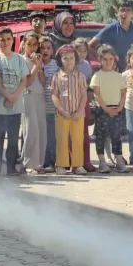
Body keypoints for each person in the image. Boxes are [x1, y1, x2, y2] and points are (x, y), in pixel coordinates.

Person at [0, 27, 29, 175]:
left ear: (13, 40)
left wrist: (14, 96)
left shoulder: (19, 59)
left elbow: (24, 80)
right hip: (0, 106)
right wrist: (7, 95)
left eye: (8, 39)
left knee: (14, 138)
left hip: (16, 105)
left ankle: (11, 167)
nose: (5, 42)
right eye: (2, 39)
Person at [50, 46, 87, 175]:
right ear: (60, 60)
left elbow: (84, 95)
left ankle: (77, 165)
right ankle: (61, 165)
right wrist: (61, 109)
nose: (69, 61)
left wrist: (80, 110)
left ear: (75, 59)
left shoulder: (80, 76)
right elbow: (54, 95)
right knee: (61, 139)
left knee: (77, 139)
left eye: (71, 58)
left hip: (78, 114)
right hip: (62, 114)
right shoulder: (57, 76)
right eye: (65, 58)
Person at [90, 45, 127, 174]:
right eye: (105, 59)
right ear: (99, 60)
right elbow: (97, 94)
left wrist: (120, 107)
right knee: (101, 136)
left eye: (110, 59)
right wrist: (106, 109)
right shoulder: (97, 76)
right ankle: (102, 161)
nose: (108, 62)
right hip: (102, 110)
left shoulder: (119, 76)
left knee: (116, 136)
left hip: (117, 110)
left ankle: (119, 160)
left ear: (114, 59)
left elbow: (123, 93)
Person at [89, 0, 133, 72]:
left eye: (128, 10)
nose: (124, 13)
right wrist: (103, 60)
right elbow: (90, 46)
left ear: (132, 14)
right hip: (115, 72)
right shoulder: (110, 29)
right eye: (122, 10)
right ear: (118, 12)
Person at [21, 33, 47, 174]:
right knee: (31, 130)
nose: (32, 47)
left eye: (35, 44)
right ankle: (29, 163)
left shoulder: (37, 60)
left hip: (39, 95)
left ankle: (39, 163)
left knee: (41, 130)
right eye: (29, 44)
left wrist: (40, 65)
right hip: (28, 95)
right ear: (24, 45)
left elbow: (42, 81)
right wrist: (36, 66)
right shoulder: (22, 60)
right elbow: (28, 81)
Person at [72, 38, 96, 173]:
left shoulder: (86, 65)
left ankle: (86, 161)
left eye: (84, 51)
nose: (81, 53)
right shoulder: (67, 62)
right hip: (69, 101)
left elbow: (88, 83)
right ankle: (72, 161)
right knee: (71, 132)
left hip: (83, 100)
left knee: (84, 132)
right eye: (78, 50)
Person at [40, 36, 59, 173]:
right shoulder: (36, 63)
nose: (45, 51)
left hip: (52, 107)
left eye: (48, 48)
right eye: (42, 48)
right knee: (41, 136)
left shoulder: (56, 65)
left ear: (52, 50)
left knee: (51, 137)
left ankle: (51, 162)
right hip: (38, 106)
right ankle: (42, 161)